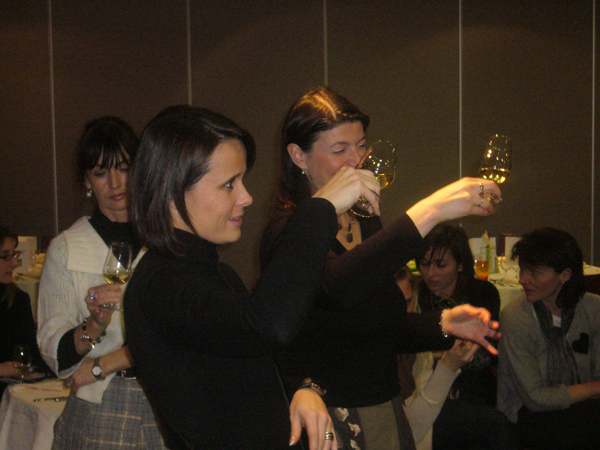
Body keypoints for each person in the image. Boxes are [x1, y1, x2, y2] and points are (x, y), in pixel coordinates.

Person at [122, 105, 382, 450]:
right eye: (229, 184)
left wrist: (303, 388)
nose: (246, 197)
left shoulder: (213, 272)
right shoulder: (161, 281)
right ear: (171, 191)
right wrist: (319, 209)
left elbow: (254, 364)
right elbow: (266, 326)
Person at [260, 86, 502, 450]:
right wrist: (431, 211)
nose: (356, 160)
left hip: (383, 405)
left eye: (360, 146)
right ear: (298, 156)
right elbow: (339, 289)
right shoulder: (290, 232)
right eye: (339, 150)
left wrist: (444, 324)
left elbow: (377, 326)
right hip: (331, 416)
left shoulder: (364, 219)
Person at [37, 117, 166, 449]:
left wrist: (105, 363)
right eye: (101, 172)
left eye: (124, 168)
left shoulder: (164, 240)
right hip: (103, 402)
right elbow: (53, 349)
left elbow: (181, 329)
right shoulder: (68, 248)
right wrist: (93, 325)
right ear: (87, 181)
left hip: (166, 395)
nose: (116, 182)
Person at [411, 223, 516, 450]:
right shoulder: (416, 294)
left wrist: (434, 350)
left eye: (441, 265)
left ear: (460, 265)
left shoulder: (481, 293)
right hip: (426, 388)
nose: (430, 273)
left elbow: (483, 357)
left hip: (471, 388)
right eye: (424, 264)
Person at [497, 227, 600, 450]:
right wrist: (595, 387)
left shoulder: (593, 309)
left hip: (583, 405)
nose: (523, 280)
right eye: (522, 270)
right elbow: (535, 399)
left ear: (565, 275)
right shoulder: (516, 317)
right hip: (526, 414)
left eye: (535, 273)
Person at [395, 266, 480, 450]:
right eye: (393, 305)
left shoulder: (417, 344)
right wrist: (448, 366)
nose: (403, 314)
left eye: (407, 302)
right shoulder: (371, 355)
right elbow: (407, 435)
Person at [0, 226, 50, 395]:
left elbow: (31, 354)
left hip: (12, 390)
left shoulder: (17, 299)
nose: (15, 263)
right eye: (5, 256)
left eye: (14, 254)